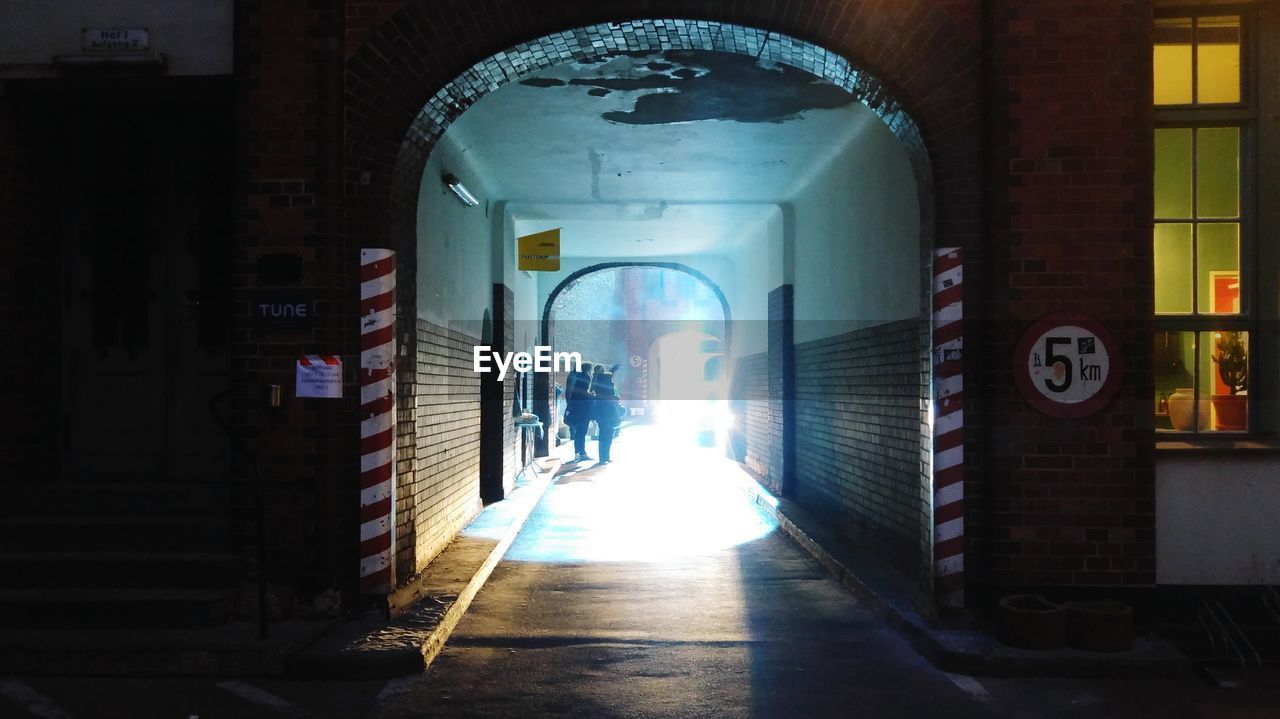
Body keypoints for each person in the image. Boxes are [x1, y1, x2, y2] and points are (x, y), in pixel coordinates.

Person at [590, 371, 623, 464]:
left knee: (603, 435)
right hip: (608, 414)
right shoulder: (608, 388)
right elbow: (610, 399)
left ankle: (603, 457)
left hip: (601, 414)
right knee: (608, 435)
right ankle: (605, 456)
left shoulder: (598, 388)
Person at [565, 363, 594, 461]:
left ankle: (580, 452)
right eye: (591, 369)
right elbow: (583, 393)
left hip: (576, 409)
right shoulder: (584, 377)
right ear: (588, 369)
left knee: (579, 432)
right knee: (582, 432)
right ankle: (581, 452)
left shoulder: (576, 377)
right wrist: (591, 396)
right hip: (582, 410)